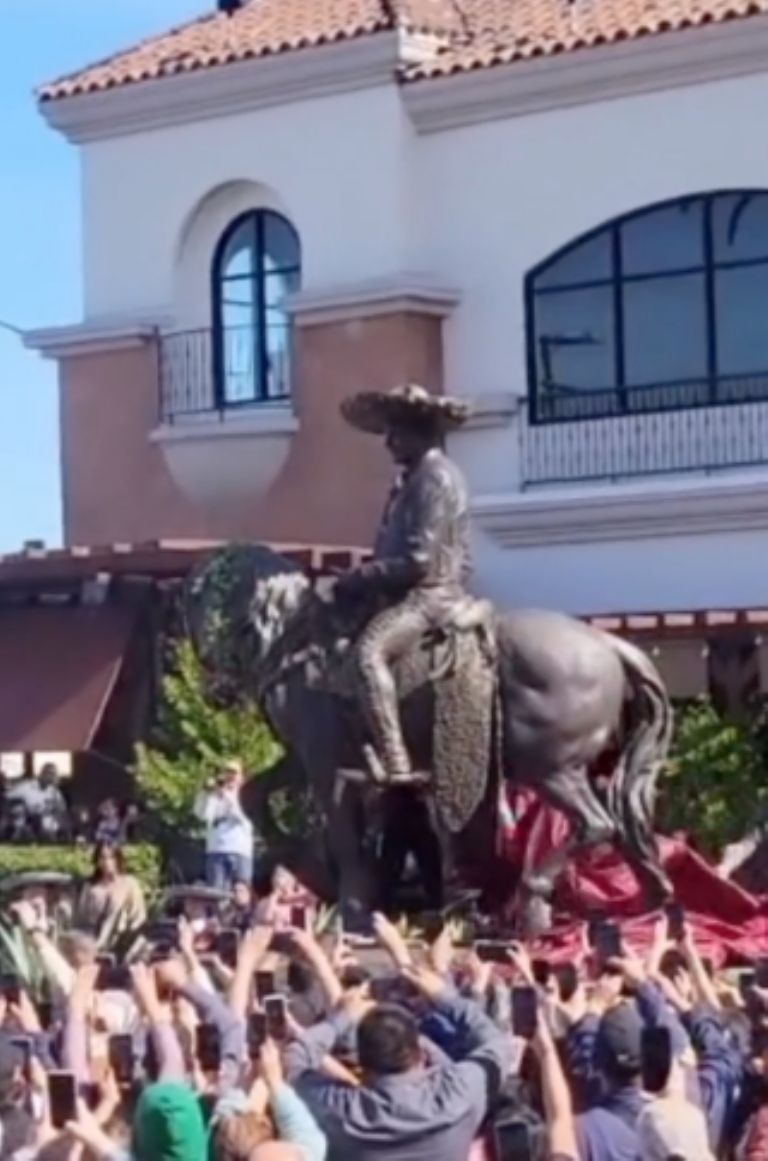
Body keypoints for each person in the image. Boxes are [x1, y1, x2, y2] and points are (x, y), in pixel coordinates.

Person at [337, 383, 474, 785]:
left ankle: (396, 762)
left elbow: (419, 561)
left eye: (396, 432)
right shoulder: (414, 478)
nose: (388, 443)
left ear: (420, 432)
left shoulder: (435, 478)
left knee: (368, 655)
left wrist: (361, 576)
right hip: (413, 591)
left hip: (430, 595)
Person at [195, 760, 255, 891]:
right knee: (216, 894)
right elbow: (201, 814)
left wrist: (225, 794)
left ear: (242, 778)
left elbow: (240, 815)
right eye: (227, 772)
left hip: (239, 851)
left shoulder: (248, 796)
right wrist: (204, 793)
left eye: (234, 772)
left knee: (241, 892)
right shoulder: (215, 796)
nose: (230, 776)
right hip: (216, 851)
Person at [76, 842, 147, 939]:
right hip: (92, 940)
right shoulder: (90, 886)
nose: (107, 862)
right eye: (102, 857)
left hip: (119, 940)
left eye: (111, 857)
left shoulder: (129, 884)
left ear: (118, 859)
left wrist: (128, 937)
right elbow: (81, 917)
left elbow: (138, 916)